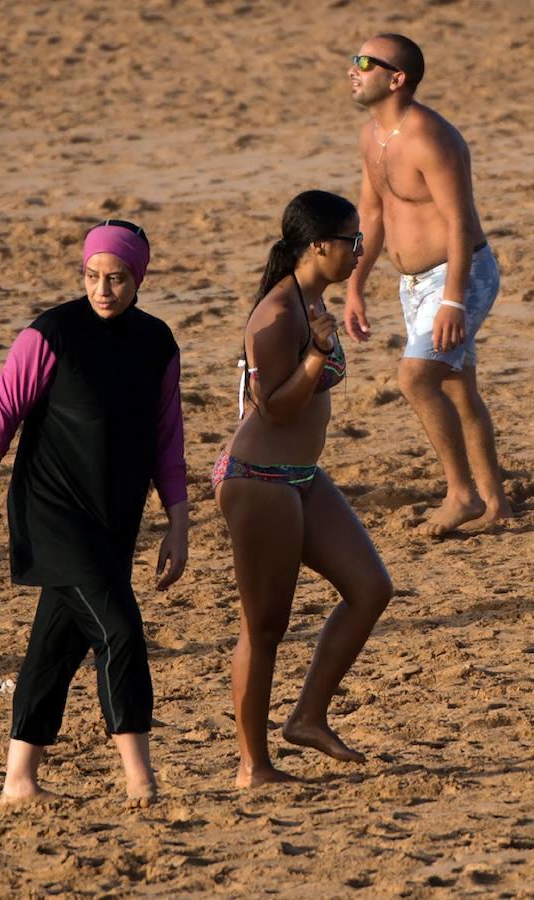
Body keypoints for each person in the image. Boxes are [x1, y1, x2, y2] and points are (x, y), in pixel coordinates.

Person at [0, 220, 189, 809]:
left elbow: (167, 441)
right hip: (52, 514)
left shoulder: (158, 343)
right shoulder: (50, 334)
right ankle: (140, 778)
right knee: (120, 631)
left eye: (117, 278)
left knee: (55, 645)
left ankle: (19, 781)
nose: (103, 289)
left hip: (114, 518)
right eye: (92, 276)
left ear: (139, 278)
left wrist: (178, 522)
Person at [212, 191, 393, 788]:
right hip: (258, 481)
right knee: (265, 628)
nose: (360, 250)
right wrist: (317, 354)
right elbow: (276, 409)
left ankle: (308, 715)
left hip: (301, 477)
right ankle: (253, 767)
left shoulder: (312, 298)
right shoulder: (278, 314)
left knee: (370, 587)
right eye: (352, 240)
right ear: (318, 244)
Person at [345, 33, 512, 536]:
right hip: (413, 283)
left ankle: (460, 493)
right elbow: (371, 215)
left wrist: (453, 301)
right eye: (354, 59)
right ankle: (496, 503)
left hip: (460, 276)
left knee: (417, 378)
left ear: (396, 79)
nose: (352, 69)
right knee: (459, 389)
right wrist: (355, 284)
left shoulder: (430, 138)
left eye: (365, 62)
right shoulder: (372, 135)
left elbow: (461, 222)